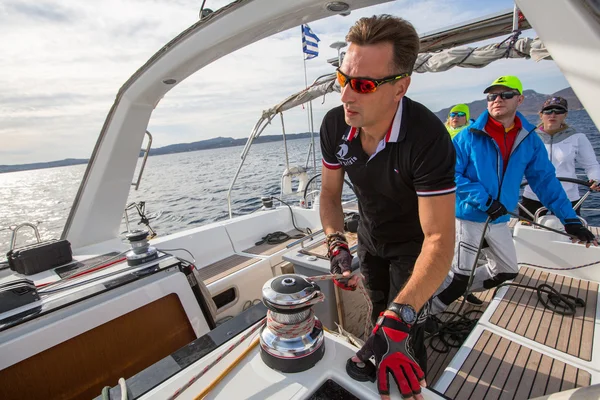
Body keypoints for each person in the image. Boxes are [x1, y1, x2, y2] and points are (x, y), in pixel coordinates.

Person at [319, 15, 456, 400]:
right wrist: (335, 244)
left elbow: (440, 239)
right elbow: (329, 196)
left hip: (415, 248)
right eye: (343, 79)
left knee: (404, 332)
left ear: (401, 88)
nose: (346, 95)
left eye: (362, 85)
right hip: (369, 238)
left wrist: (403, 316)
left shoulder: (427, 138)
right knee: (377, 310)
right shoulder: (335, 126)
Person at [431, 76, 597, 315]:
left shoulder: (529, 139)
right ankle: (426, 314)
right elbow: (448, 174)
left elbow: (545, 181)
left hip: (499, 218)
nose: (497, 99)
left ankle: (459, 290)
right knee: (458, 275)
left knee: (506, 271)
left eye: (505, 94)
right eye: (492, 96)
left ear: (520, 99)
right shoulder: (467, 136)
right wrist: (484, 201)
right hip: (467, 215)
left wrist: (569, 219)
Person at [520, 96, 600, 218]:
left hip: (567, 197)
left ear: (565, 115)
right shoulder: (529, 138)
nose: (553, 115)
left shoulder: (578, 137)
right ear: (541, 115)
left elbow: (591, 165)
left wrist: (595, 178)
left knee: (568, 235)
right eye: (548, 111)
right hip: (533, 195)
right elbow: (517, 164)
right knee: (526, 233)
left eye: (558, 111)